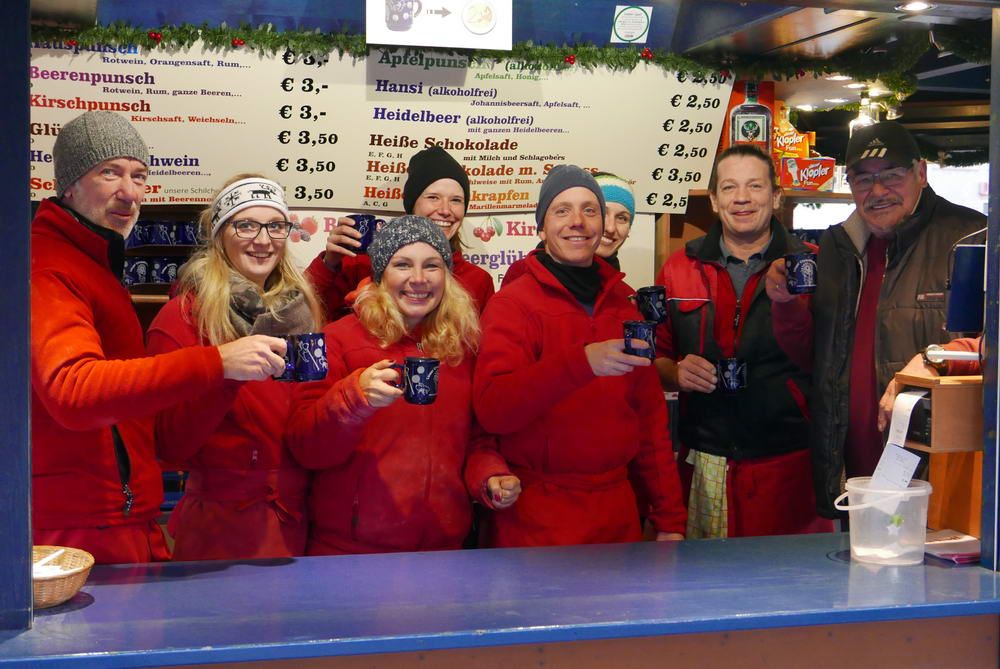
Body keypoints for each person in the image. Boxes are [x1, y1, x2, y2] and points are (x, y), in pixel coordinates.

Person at [30, 111, 288, 564]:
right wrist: (217, 364)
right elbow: (72, 390)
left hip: (125, 513)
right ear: (68, 184)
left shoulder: (94, 263)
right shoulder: (50, 265)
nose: (129, 192)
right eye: (109, 172)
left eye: (139, 175)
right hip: (87, 522)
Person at [766, 120, 987, 518]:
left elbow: (993, 346)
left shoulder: (973, 238)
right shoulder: (836, 247)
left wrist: (935, 359)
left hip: (940, 474)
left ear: (921, 173)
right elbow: (813, 357)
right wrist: (785, 305)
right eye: (863, 179)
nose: (878, 191)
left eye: (892, 175)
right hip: (855, 472)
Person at [469, 165, 686, 547]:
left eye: (589, 210)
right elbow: (494, 409)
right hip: (536, 520)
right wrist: (581, 363)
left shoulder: (626, 306)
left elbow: (651, 423)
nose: (577, 222)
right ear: (541, 227)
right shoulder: (512, 306)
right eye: (562, 210)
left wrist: (670, 518)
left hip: (617, 517)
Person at [287, 216, 513, 554]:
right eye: (403, 264)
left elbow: (477, 441)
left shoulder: (462, 348)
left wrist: (490, 477)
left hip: (443, 552)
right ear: (380, 275)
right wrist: (354, 397)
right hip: (351, 554)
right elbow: (305, 447)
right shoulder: (335, 340)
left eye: (432, 265)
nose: (419, 279)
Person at [653, 144, 831, 538]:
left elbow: (829, 359)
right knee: (704, 590)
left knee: (785, 588)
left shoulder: (813, 266)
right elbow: (656, 358)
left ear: (776, 196)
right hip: (704, 462)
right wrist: (674, 373)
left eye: (755, 186)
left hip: (790, 463)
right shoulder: (679, 267)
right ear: (715, 200)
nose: (742, 198)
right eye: (729, 188)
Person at [146, 174, 324, 560]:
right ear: (220, 233)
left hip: (300, 523)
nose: (263, 240)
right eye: (246, 224)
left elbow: (309, 420)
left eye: (275, 225)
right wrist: (222, 373)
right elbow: (167, 444)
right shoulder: (183, 318)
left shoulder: (302, 311)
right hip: (220, 534)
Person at [307, 146, 495, 318]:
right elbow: (302, 315)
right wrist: (328, 264)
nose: (445, 210)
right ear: (412, 203)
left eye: (456, 200)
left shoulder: (478, 280)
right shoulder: (361, 265)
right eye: (433, 197)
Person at [500, 171, 635, 287]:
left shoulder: (622, 291)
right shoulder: (522, 274)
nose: (610, 228)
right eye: (600, 213)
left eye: (622, 218)